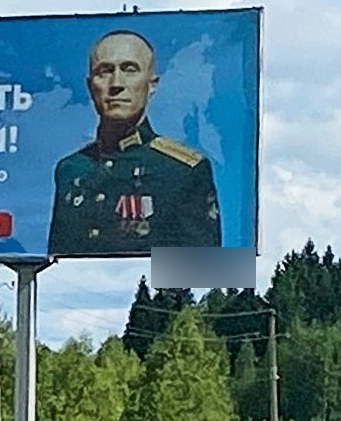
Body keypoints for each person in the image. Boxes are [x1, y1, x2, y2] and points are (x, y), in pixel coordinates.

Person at [48, 29, 222, 255]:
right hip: (79, 289)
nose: (116, 83)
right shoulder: (71, 169)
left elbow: (209, 272)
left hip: (152, 290)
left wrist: (141, 282)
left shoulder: (183, 169)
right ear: (91, 87)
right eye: (104, 71)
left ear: (152, 84)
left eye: (129, 70)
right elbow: (58, 265)